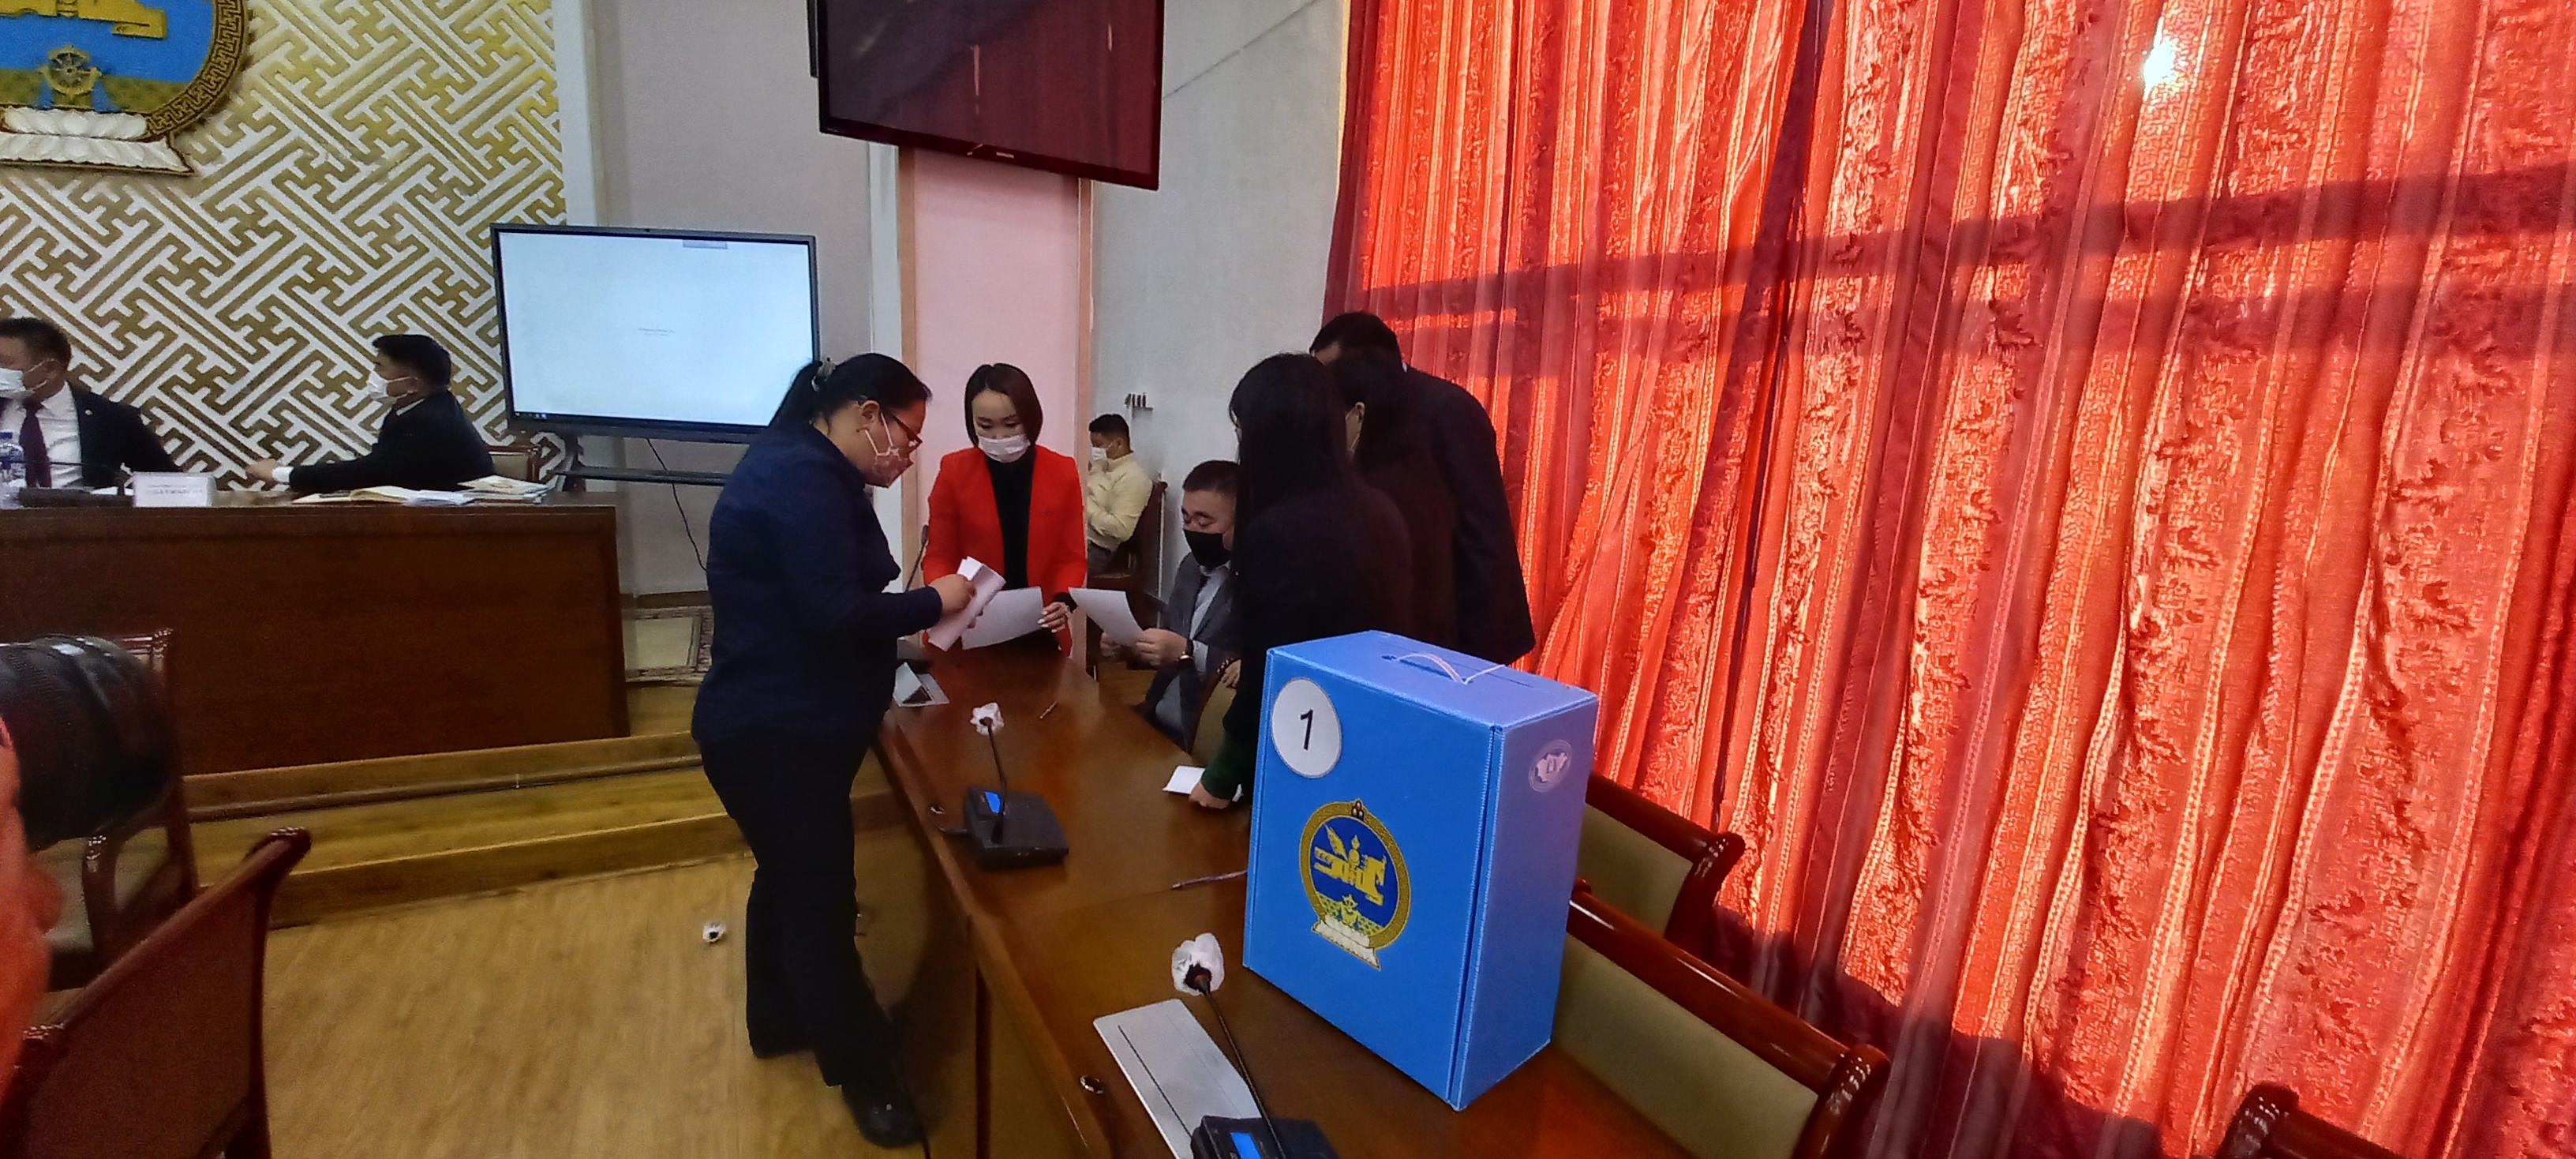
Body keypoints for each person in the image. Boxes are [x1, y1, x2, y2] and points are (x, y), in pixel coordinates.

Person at [690, 354, 974, 1148]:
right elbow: (832, 612)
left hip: (775, 723)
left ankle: (778, 1016)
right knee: (819, 900)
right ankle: (866, 1072)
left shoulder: (804, 463)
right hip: (775, 732)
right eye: (908, 435)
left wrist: (901, 642)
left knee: (785, 875)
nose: (910, 453)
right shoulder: (801, 476)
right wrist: (936, 601)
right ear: (867, 414)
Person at [1192, 354, 1412, 809]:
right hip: (1376, 731)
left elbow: (1265, 668)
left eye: (1243, 430)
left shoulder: (1279, 531)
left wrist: (1220, 777)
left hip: (1302, 741)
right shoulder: (1382, 511)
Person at [1311, 312, 1536, 664]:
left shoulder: (1446, 409)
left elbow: (1482, 529)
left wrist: (1478, 652)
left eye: (1331, 371)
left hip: (1455, 626)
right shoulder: (1350, 414)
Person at [923, 363, 1084, 639]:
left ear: (1031, 418)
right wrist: (944, 595)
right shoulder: (954, 471)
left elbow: (1072, 556)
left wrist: (1063, 600)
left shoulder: (1062, 471)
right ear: (971, 422)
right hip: (970, 621)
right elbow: (940, 555)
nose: (999, 436)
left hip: (1040, 622)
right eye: (985, 426)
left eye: (1011, 424)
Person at [1331, 347, 1462, 652]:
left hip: (1383, 651)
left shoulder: (1375, 494)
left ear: (1359, 413)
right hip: (1423, 648)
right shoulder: (1418, 474)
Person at [248, 334, 494, 492]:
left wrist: (282, 474)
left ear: (412, 384)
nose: (373, 376)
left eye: (380, 368)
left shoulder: (432, 420)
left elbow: (371, 472)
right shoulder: (418, 407)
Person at [1129, 459, 1240, 748]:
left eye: (1204, 522)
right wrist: (1133, 644)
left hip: (1204, 737)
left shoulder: (1255, 583)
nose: (1192, 530)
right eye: (1186, 519)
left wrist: (1188, 652)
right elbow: (1170, 636)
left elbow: (1249, 669)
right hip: (1156, 715)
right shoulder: (1190, 566)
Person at [0, 317, 179, 487]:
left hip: (81, 509)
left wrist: (123, 499)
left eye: (4, 362)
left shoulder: (111, 418)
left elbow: (168, 482)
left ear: (50, 368)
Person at [1083, 412, 1154, 576]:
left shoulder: (1133, 478)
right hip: (1078, 537)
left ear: (1119, 444)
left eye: (1098, 445)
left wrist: (1084, 505)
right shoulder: (1101, 466)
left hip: (1096, 550)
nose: (1095, 451)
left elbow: (1121, 529)